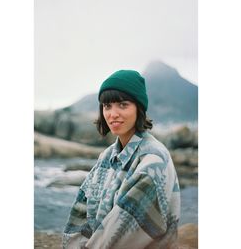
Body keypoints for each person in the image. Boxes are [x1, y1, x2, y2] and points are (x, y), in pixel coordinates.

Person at [63, 70, 180, 249]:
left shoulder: (153, 161)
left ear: (138, 108)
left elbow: (117, 239)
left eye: (123, 105)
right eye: (107, 106)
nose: (113, 114)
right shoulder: (107, 156)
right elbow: (80, 213)